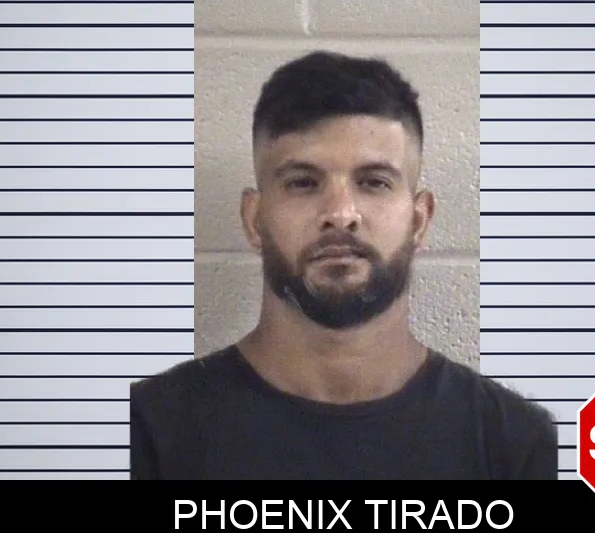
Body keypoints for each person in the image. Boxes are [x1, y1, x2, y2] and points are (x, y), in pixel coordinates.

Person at [129, 50, 558, 480]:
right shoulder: (146, 434)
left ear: (419, 220)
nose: (340, 213)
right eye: (303, 183)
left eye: (374, 182)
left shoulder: (516, 446)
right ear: (254, 219)